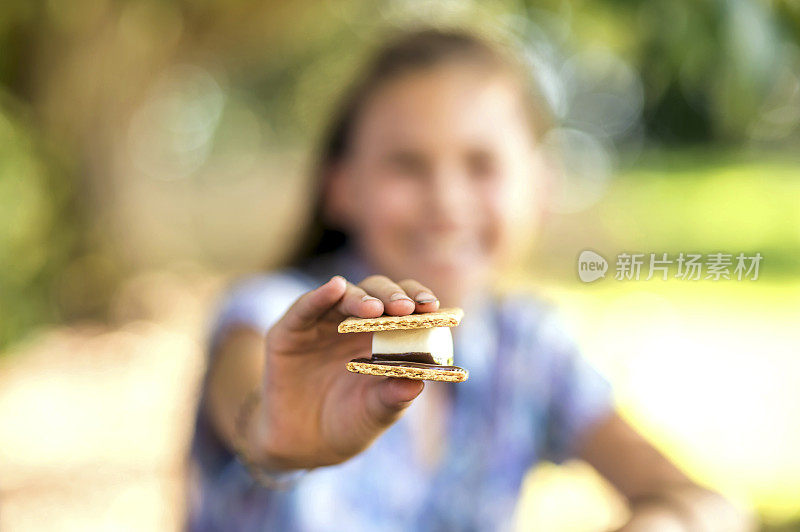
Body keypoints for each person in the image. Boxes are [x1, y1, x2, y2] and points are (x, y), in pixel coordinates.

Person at [188, 28, 751, 531]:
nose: (447, 202)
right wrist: (273, 436)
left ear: (541, 188)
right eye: (406, 164)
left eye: (481, 164)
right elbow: (251, 391)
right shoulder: (283, 316)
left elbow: (710, 504)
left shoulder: (530, 350)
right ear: (340, 187)